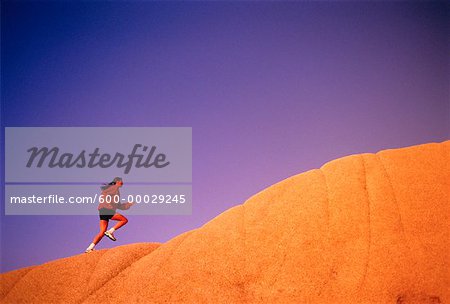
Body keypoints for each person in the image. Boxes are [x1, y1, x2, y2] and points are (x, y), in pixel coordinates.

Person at [85, 177, 135, 253]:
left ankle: (90, 248)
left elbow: (118, 205)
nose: (122, 183)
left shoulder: (115, 191)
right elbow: (105, 194)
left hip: (102, 211)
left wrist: (129, 204)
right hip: (107, 209)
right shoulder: (114, 188)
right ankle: (110, 231)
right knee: (124, 220)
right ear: (117, 182)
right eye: (121, 181)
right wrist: (107, 204)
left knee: (102, 232)